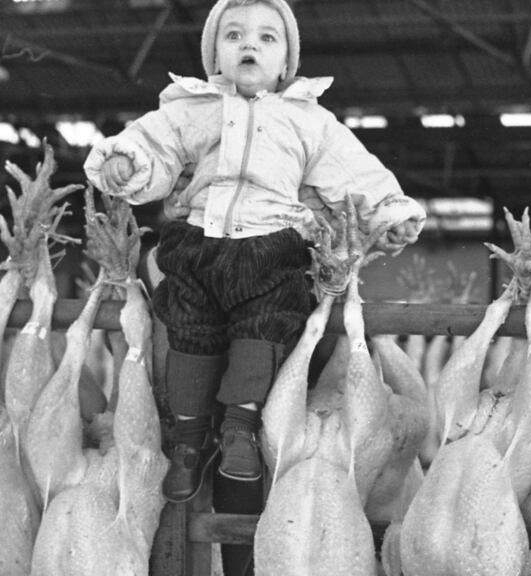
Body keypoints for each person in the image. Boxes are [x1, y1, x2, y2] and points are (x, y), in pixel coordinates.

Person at [84, 0, 425, 504]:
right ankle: (188, 439)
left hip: (272, 245)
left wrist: (389, 215)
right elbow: (152, 144)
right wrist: (124, 160)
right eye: (235, 36)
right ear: (214, 56)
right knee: (189, 326)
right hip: (199, 241)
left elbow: (354, 173)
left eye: (268, 38)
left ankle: (240, 427)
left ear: (287, 62)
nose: (250, 45)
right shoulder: (189, 108)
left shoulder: (310, 120)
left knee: (266, 321)